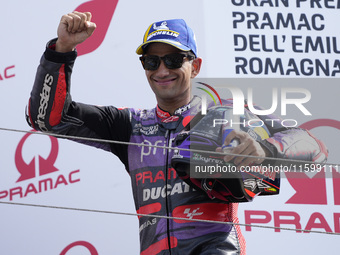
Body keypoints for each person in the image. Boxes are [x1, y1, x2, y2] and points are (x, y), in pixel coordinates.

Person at [26, 11, 327, 255]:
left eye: (173, 60)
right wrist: (62, 51)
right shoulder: (129, 125)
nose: (161, 70)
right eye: (151, 61)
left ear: (194, 66)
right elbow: (47, 119)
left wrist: (266, 150)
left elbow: (315, 147)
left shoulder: (227, 114)